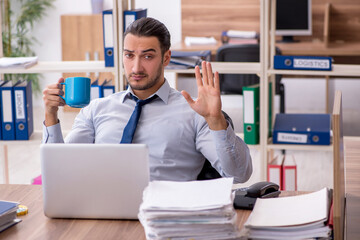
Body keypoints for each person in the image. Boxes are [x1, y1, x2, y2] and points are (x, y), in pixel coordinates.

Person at [42, 17, 252, 183]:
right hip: (104, 212)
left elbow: (239, 175)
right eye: (129, 55)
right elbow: (61, 171)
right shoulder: (96, 110)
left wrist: (215, 121)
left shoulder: (195, 112)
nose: (136, 68)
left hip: (166, 217)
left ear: (166, 58)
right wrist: (51, 116)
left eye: (148, 56)